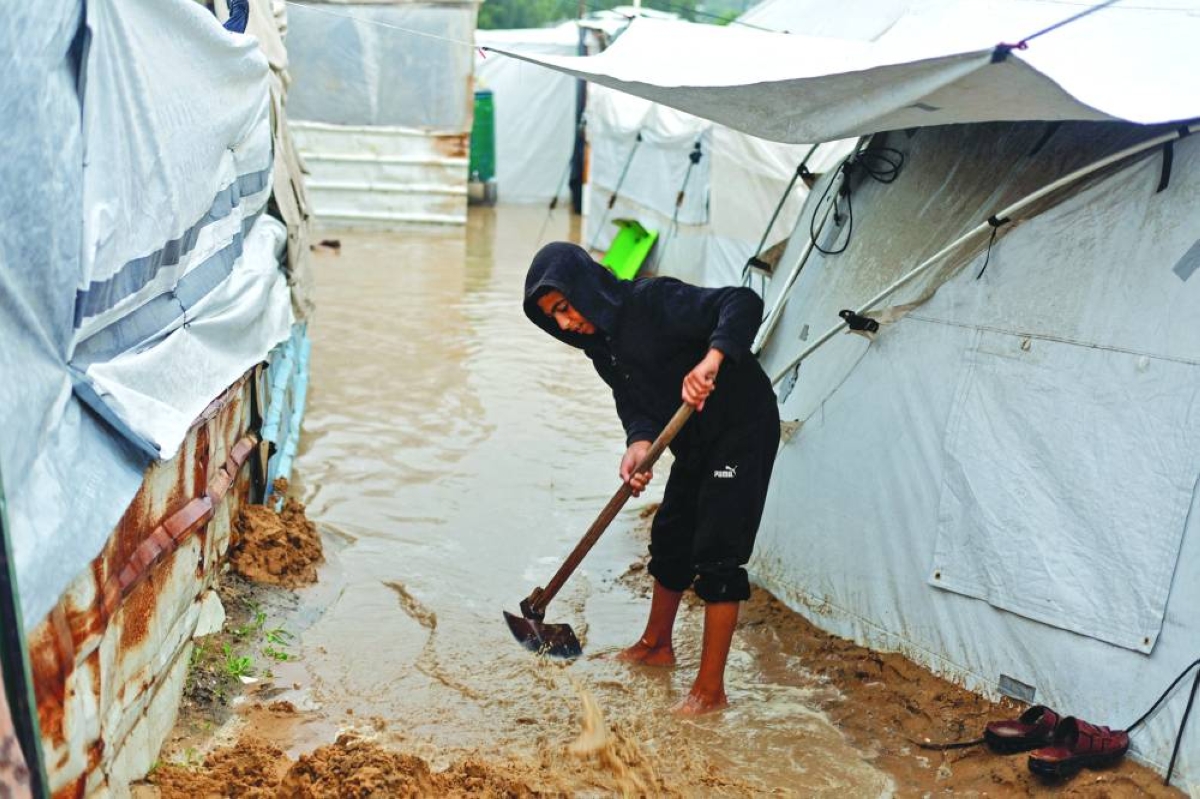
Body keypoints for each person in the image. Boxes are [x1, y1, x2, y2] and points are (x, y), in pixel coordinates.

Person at [523, 242, 780, 715]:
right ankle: (656, 645)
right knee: (670, 537)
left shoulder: (652, 301)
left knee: (718, 554)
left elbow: (741, 302)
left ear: (583, 287)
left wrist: (713, 359)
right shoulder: (599, 346)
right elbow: (635, 402)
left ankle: (710, 691)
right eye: (552, 318)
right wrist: (639, 443)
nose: (563, 323)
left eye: (564, 307)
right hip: (692, 440)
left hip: (742, 428)